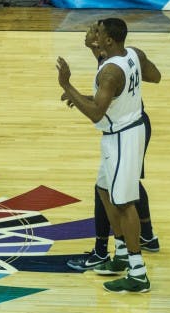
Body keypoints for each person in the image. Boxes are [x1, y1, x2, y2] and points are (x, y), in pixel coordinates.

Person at [56, 18, 161, 293]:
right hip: (130, 125)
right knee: (104, 190)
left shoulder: (110, 74)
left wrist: (67, 86)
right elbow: (155, 76)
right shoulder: (133, 54)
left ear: (109, 41)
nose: (94, 34)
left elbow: (96, 113)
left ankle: (138, 273)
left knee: (125, 204)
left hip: (123, 137)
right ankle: (122, 254)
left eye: (99, 33)